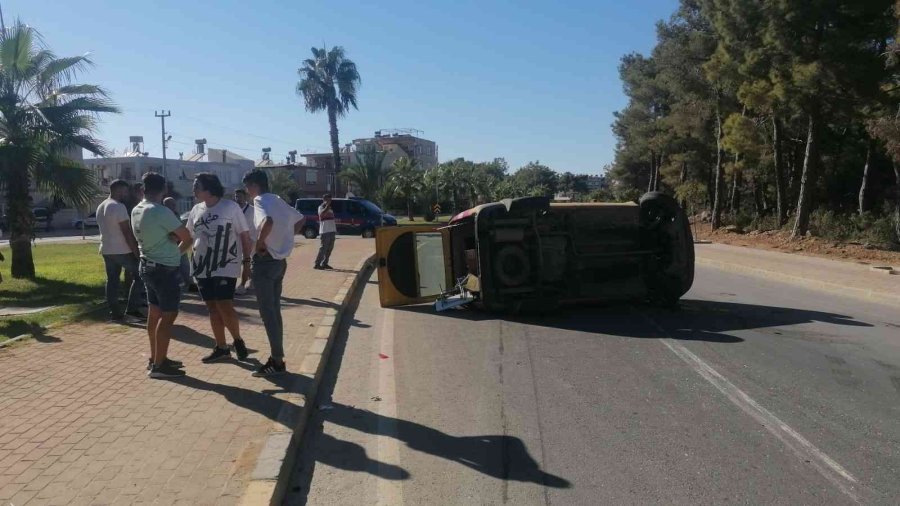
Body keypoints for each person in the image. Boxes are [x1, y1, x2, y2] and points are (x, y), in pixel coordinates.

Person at [242, 169, 305, 377]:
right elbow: (300, 220)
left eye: (247, 186)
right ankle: (278, 357)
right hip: (279, 262)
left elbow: (267, 222)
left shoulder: (259, 201)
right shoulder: (277, 199)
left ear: (254, 185)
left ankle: (277, 361)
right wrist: (285, 239)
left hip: (265, 262)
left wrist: (260, 244)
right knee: (275, 312)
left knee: (268, 314)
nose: (247, 191)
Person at [186, 173, 252, 363]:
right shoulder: (196, 210)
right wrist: (173, 254)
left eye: (196, 185)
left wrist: (247, 262)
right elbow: (189, 237)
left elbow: (244, 236)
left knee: (224, 304)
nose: (193, 189)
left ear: (209, 188)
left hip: (226, 265)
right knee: (212, 307)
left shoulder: (230, 207)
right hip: (202, 267)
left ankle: (237, 340)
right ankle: (221, 347)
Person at [132, 172, 191, 379]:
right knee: (168, 316)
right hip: (164, 269)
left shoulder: (137, 209)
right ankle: (159, 366)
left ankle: (156, 357)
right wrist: (176, 250)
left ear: (143, 189)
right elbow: (187, 237)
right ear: (164, 189)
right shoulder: (161, 211)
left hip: (146, 265)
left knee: (154, 313)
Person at [96, 180, 145, 321]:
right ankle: (132, 309)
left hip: (106, 249)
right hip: (122, 249)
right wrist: (135, 251)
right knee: (140, 275)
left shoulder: (101, 206)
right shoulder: (119, 206)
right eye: (125, 190)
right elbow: (127, 232)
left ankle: (115, 312)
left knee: (112, 281)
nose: (126, 193)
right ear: (118, 189)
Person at [163, 197, 192, 288]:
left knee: (185, 265)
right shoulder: (163, 215)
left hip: (180, 242)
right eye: (172, 204)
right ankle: (180, 284)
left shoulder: (176, 214)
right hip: (170, 245)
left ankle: (189, 283)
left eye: (175, 204)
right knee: (174, 266)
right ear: (166, 205)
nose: (175, 206)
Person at [234, 189, 256, 295]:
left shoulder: (252, 210)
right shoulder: (233, 210)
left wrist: (254, 239)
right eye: (236, 197)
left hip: (249, 240)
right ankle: (254, 279)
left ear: (245, 197)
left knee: (246, 261)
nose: (238, 199)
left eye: (240, 196)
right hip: (236, 240)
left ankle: (242, 285)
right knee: (241, 262)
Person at [314, 193, 336, 270]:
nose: (329, 201)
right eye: (327, 199)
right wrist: (327, 206)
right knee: (323, 248)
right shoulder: (321, 207)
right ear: (324, 200)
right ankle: (317, 264)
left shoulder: (330, 208)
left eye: (330, 199)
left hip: (332, 230)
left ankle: (325, 263)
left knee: (330, 248)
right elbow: (322, 215)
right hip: (325, 231)